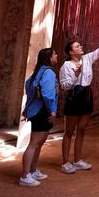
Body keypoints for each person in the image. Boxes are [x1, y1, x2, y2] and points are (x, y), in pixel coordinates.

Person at [58, 34, 99, 174]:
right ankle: (65, 163)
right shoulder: (66, 66)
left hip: (87, 96)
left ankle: (77, 160)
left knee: (81, 130)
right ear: (71, 52)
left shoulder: (87, 58)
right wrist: (75, 76)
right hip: (74, 97)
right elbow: (64, 86)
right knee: (69, 132)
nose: (81, 47)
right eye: (77, 46)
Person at [20, 47, 59, 187]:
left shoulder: (39, 71)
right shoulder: (48, 72)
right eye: (54, 54)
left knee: (39, 142)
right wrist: (52, 111)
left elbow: (29, 86)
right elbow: (48, 95)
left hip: (36, 110)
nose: (57, 56)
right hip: (43, 111)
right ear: (49, 57)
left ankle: (33, 170)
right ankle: (25, 175)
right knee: (34, 143)